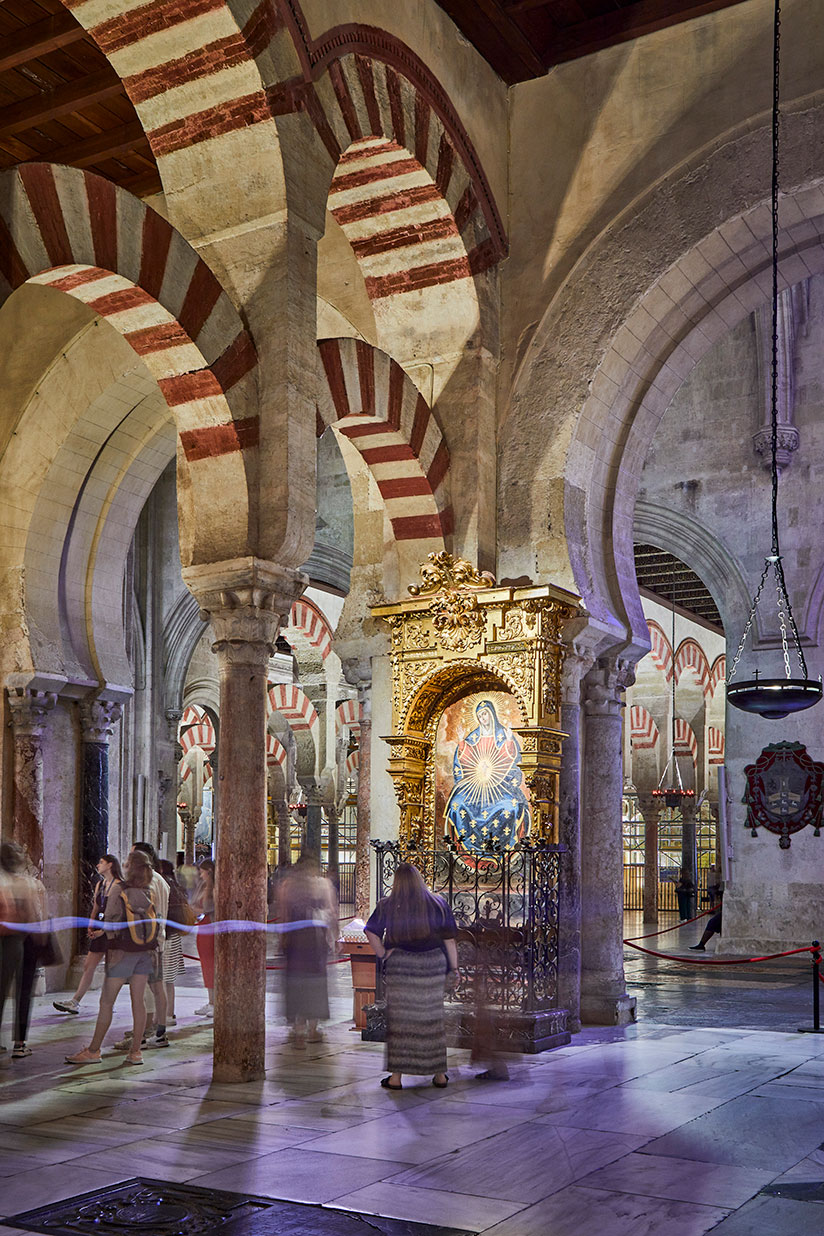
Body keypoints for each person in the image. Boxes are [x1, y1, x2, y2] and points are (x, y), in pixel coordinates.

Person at [365, 863, 459, 1090]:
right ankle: (439, 1075)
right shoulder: (438, 903)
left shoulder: (387, 905)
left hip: (402, 966)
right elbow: (450, 940)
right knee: (432, 1019)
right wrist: (454, 969)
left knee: (400, 1022)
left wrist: (383, 953)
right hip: (432, 966)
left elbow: (370, 931)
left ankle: (396, 1078)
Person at [65, 850, 159, 1065]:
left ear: (129, 868)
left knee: (106, 1001)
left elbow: (110, 921)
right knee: (138, 1002)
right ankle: (136, 1052)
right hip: (144, 952)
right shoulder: (148, 891)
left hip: (121, 952)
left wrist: (101, 932)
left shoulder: (119, 889)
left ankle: (94, 1051)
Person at [445, 699, 530, 854]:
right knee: (457, 804)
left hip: (500, 787)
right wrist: (462, 743)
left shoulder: (502, 736)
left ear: (492, 714)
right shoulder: (473, 738)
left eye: (485, 714)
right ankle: (468, 851)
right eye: (480, 716)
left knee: (511, 806)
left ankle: (502, 851)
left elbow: (511, 761)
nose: (483, 718)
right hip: (474, 788)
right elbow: (465, 760)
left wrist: (509, 742)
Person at [277, 856, 338, 1047]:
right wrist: (334, 937)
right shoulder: (322, 885)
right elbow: (331, 912)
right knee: (315, 984)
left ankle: (299, 1029)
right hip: (315, 941)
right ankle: (312, 1029)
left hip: (295, 941)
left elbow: (283, 914)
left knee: (296, 983)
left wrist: (282, 939)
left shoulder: (288, 885)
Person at [54, 855, 123, 1015]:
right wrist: (91, 925)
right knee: (88, 966)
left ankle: (108, 1003)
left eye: (101, 862)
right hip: (98, 928)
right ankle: (75, 1001)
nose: (98, 865)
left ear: (110, 865)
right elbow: (96, 907)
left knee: (110, 968)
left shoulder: (120, 886)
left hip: (112, 932)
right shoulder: (100, 884)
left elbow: (119, 914)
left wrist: (103, 931)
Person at [0, 841, 41, 1058]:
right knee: (23, 992)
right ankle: (19, 1043)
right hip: (20, 941)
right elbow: (33, 916)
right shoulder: (28, 884)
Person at [157, 859, 189, 1023]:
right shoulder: (175, 886)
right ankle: (169, 1014)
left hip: (166, 937)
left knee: (162, 979)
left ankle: (164, 1016)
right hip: (174, 936)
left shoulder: (163, 885)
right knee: (169, 980)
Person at [191, 858, 215, 1015]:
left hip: (211, 927)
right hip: (203, 927)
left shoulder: (214, 889)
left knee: (212, 965)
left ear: (209, 871)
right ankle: (211, 1000)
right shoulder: (203, 886)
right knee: (206, 965)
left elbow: (209, 908)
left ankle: (215, 1002)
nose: (200, 875)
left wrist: (197, 910)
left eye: (202, 871)